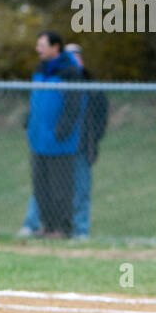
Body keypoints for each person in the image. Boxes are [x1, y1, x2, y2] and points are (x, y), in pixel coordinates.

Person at [25, 31, 84, 238]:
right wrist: (28, 123)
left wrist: (61, 131)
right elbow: (35, 100)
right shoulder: (41, 69)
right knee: (42, 189)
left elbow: (74, 106)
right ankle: (47, 226)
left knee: (61, 189)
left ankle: (62, 228)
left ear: (55, 47)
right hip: (38, 140)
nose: (38, 49)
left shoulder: (70, 72)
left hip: (60, 143)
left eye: (42, 45)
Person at [68, 44, 108, 240]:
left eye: (77, 57)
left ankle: (80, 231)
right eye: (69, 57)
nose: (74, 62)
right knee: (50, 191)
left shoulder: (92, 86)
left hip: (83, 147)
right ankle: (49, 229)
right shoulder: (56, 82)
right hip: (57, 149)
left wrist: (94, 138)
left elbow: (101, 116)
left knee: (82, 191)